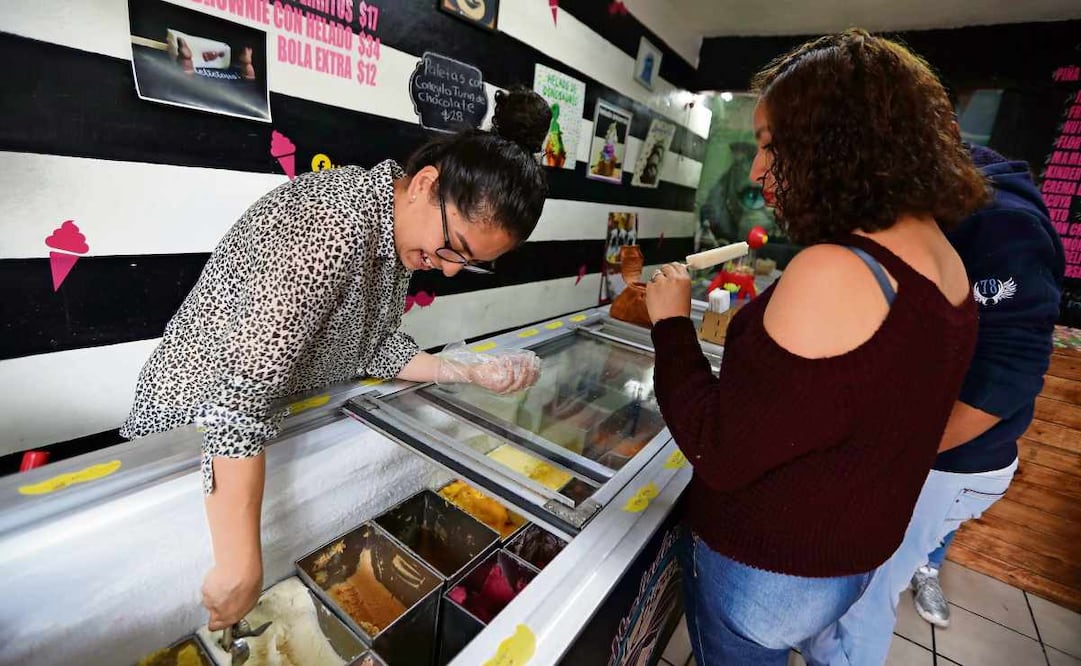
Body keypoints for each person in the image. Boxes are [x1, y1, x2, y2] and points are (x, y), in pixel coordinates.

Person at [120, 87, 552, 630]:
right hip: (194, 441)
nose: (446, 270)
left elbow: (375, 346)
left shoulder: (395, 234)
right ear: (425, 185)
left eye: (467, 263)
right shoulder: (330, 224)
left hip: (259, 442)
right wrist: (240, 564)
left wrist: (463, 370)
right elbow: (235, 408)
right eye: (453, 247)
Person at [643, 29, 987, 664]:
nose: (755, 168)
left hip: (765, 570)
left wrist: (670, 323)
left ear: (836, 142)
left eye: (771, 145)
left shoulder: (834, 269)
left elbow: (718, 449)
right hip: (851, 560)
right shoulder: (944, 258)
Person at [802, 143, 1065, 665]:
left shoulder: (998, 223)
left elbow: (1008, 373)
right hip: (920, 451)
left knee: (867, 595)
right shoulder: (921, 210)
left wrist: (886, 454)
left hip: (948, 463)